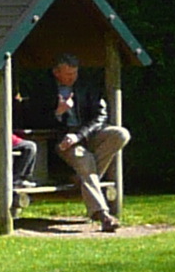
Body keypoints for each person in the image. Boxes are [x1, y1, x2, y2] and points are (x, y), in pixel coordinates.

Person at [15, 52, 127, 229]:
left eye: (74, 73)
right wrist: (58, 113)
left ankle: (80, 178)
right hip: (62, 140)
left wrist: (79, 135)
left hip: (85, 134)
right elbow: (32, 119)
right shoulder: (44, 89)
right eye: (67, 74)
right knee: (86, 160)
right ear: (56, 72)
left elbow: (100, 115)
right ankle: (102, 214)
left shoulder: (85, 86)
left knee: (120, 134)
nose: (72, 78)